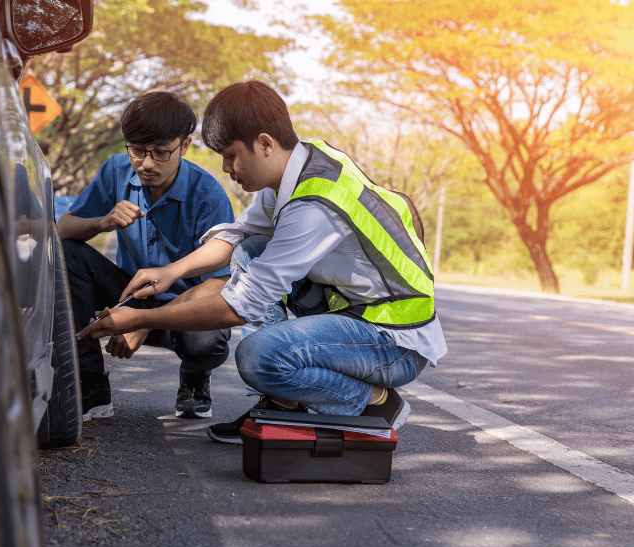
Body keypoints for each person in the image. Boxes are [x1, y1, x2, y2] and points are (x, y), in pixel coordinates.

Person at [76, 81, 447, 443]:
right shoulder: (301, 163)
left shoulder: (312, 206)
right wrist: (171, 272)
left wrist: (140, 318)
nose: (226, 168)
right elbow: (236, 236)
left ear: (264, 144)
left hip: (394, 340)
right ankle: (280, 404)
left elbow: (240, 307)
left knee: (258, 357)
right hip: (356, 313)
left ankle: (375, 401)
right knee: (251, 246)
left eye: (231, 155)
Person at [57, 91, 236, 421]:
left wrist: (143, 322)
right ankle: (91, 386)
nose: (147, 163)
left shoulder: (207, 194)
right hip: (131, 294)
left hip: (188, 308)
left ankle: (195, 379)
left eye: (161, 152)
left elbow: (223, 282)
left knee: (205, 343)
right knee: (68, 255)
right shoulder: (116, 170)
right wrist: (103, 221)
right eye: (138, 151)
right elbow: (62, 229)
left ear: (184, 145)